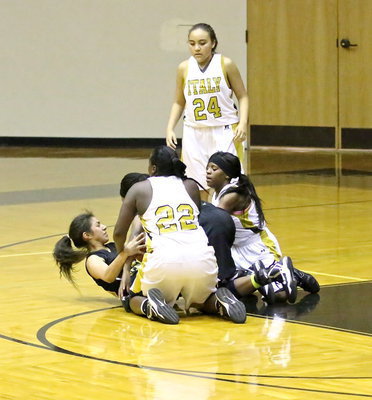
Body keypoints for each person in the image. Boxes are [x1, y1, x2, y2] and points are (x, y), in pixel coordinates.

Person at [113, 145, 247, 324]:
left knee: (132, 298)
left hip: (164, 261)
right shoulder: (190, 185)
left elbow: (119, 232)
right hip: (203, 260)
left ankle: (149, 307)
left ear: (153, 168)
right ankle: (219, 302)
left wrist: (123, 255)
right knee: (201, 301)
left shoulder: (139, 189)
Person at [206, 151, 320, 304]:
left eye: (214, 169)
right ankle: (274, 273)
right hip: (235, 250)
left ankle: (288, 273)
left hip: (257, 247)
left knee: (278, 297)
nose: (208, 171)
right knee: (236, 288)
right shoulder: (214, 193)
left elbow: (215, 222)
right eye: (208, 167)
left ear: (226, 175)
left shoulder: (232, 195)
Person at [52, 212, 186, 324]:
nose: (104, 227)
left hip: (146, 275)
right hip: (132, 291)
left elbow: (137, 218)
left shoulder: (112, 246)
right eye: (98, 225)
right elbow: (108, 276)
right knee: (131, 300)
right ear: (87, 235)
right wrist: (126, 253)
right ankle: (150, 307)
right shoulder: (93, 259)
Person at [165, 23, 249, 199]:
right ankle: (204, 221)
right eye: (192, 43)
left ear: (213, 43)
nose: (197, 48)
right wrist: (170, 127)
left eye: (202, 43)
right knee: (196, 183)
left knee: (230, 183)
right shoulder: (184, 68)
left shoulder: (225, 64)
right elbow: (179, 102)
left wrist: (242, 123)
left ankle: (231, 222)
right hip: (194, 132)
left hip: (224, 130)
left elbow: (243, 96)